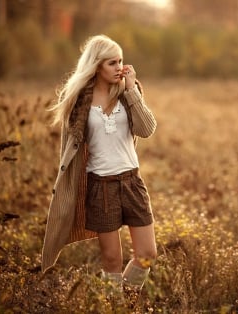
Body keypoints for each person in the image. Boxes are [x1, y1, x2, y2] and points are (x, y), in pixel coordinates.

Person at [41, 34, 157, 300]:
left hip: (131, 182)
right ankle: (115, 306)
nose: (119, 67)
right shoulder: (79, 101)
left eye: (121, 61)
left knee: (147, 255)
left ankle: (124, 300)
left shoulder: (128, 92)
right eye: (111, 63)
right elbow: (68, 151)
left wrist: (131, 91)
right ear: (96, 66)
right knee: (112, 260)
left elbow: (147, 129)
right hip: (100, 187)